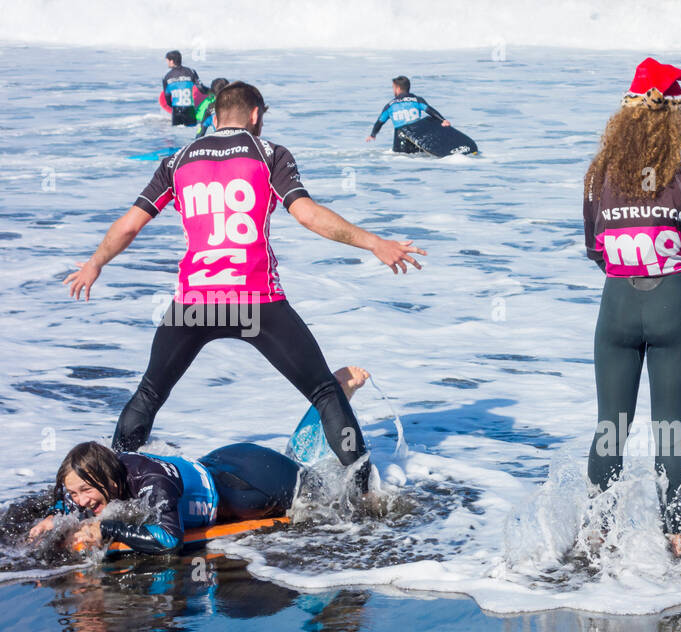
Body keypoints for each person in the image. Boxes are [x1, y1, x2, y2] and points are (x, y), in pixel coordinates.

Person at [63, 82, 424, 495]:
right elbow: (307, 215)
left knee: (148, 394)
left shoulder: (177, 161)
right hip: (256, 302)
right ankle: (364, 496)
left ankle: (114, 490)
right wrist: (375, 242)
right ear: (256, 114)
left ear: (215, 115)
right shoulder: (269, 154)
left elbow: (129, 225)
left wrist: (94, 263)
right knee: (325, 391)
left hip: (194, 304)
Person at [583, 57, 681, 558]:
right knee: (670, 430)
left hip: (615, 306)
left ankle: (597, 533)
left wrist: (630, 273)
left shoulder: (597, 179)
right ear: (674, 119)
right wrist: (667, 280)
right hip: (673, 306)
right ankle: (676, 534)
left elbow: (596, 249)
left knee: (610, 426)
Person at [27, 367, 370, 555]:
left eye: (85, 490)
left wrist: (109, 527)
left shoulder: (152, 483)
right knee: (300, 464)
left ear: (106, 478)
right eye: (74, 493)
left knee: (335, 497)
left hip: (254, 481)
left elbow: (167, 540)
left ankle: (335, 395)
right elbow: (73, 495)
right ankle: (330, 398)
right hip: (217, 463)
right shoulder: (104, 475)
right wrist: (54, 516)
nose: (81, 500)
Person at [366, 76, 451, 153]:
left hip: (400, 139)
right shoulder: (417, 100)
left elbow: (380, 122)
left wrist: (373, 134)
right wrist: (443, 120)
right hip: (417, 137)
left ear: (398, 88)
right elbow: (430, 110)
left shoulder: (390, 106)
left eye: (393, 88)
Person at [161, 50, 202, 127]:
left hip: (176, 112)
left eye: (167, 61)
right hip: (190, 111)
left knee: (176, 134)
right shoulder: (191, 72)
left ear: (171, 61)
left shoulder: (167, 76)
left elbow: (167, 100)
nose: (167, 63)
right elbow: (201, 88)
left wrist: (173, 108)